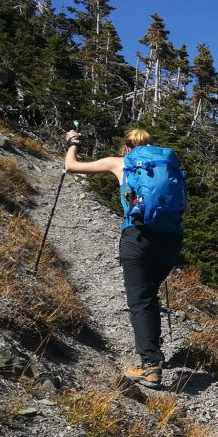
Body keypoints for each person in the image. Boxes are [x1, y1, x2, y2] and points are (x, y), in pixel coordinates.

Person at [64, 128, 185, 389]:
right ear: (149, 146)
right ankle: (153, 351)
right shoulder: (166, 165)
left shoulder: (120, 163)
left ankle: (151, 367)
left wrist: (73, 142)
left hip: (137, 237)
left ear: (126, 147)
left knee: (140, 300)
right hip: (171, 240)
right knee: (149, 295)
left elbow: (71, 166)